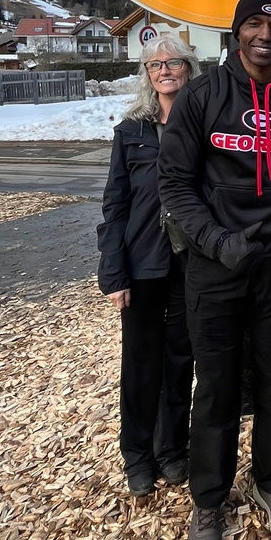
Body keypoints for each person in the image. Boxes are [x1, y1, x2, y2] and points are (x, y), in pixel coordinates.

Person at [157, 0, 271, 540]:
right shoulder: (202, 95)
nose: (265, 34)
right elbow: (175, 184)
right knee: (216, 388)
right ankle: (208, 501)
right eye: (253, 24)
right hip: (216, 270)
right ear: (237, 33)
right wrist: (216, 241)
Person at [97, 35, 199, 496]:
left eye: (173, 62)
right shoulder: (131, 131)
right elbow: (115, 206)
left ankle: (173, 449)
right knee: (141, 364)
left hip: (189, 262)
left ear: (189, 68)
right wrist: (113, 272)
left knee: (180, 360)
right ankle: (137, 455)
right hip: (141, 263)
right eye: (155, 64)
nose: (165, 70)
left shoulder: (203, 124)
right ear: (147, 74)